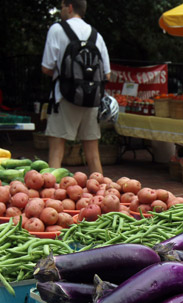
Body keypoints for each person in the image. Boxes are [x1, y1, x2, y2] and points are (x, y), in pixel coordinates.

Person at [41, 0, 110, 174]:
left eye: (62, 6)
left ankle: (52, 195)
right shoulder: (96, 35)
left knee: (57, 152)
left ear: (70, 7)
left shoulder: (57, 29)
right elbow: (106, 74)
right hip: (91, 99)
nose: (61, 10)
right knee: (93, 155)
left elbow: (46, 68)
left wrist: (68, 76)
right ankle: (103, 194)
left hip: (64, 97)